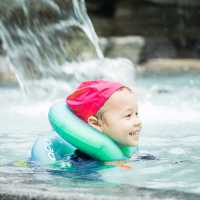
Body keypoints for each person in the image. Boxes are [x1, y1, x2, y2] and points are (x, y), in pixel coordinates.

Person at [66, 80, 142, 165]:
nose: (138, 122)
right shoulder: (81, 162)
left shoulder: (131, 151)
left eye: (136, 114)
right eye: (128, 115)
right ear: (96, 124)